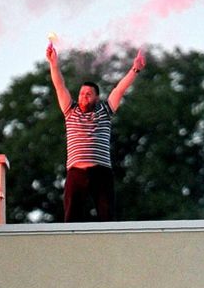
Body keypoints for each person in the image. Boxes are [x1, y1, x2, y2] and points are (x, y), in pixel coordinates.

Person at [45, 41, 144, 222]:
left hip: (101, 172)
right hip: (76, 172)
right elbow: (59, 85)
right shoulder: (70, 110)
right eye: (81, 93)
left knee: (107, 216)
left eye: (88, 94)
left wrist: (135, 69)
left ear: (96, 97)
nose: (83, 96)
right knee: (71, 217)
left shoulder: (105, 110)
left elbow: (120, 89)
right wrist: (53, 64)